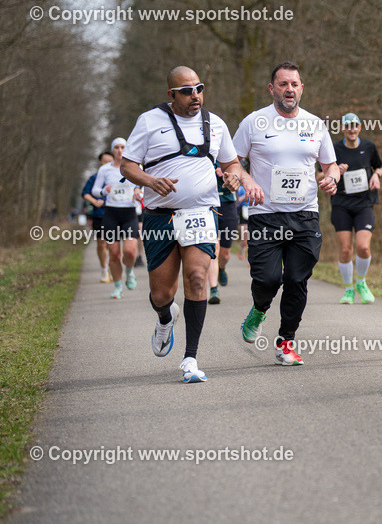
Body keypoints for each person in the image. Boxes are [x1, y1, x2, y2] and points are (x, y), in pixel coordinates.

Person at [120, 66, 260, 383]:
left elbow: (232, 162)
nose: (194, 95)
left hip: (200, 212)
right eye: (186, 90)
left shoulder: (216, 124)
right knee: (160, 293)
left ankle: (190, 359)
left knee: (197, 277)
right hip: (159, 216)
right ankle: (165, 316)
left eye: (199, 88)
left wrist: (234, 176)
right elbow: (128, 166)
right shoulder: (149, 122)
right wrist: (151, 181)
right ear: (172, 95)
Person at [234, 61, 342, 366]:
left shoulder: (315, 124)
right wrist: (247, 180)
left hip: (305, 214)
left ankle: (286, 341)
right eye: (283, 84)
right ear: (272, 89)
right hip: (265, 215)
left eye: (294, 84)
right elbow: (230, 161)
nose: (289, 89)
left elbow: (329, 165)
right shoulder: (254, 123)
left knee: (297, 279)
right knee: (268, 279)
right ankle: (259, 308)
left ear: (302, 88)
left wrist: (331, 178)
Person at [330, 113, 382, 305]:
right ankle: (348, 289)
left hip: (364, 204)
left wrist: (376, 176)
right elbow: (321, 174)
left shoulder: (368, 147)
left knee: (363, 246)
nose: (351, 129)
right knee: (345, 249)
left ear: (360, 127)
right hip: (341, 204)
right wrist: (336, 171)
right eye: (347, 126)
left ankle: (361, 282)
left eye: (354, 125)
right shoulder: (334, 149)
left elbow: (379, 167)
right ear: (342, 128)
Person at [92, 137, 142, 298]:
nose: (120, 150)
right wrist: (103, 191)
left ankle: (129, 271)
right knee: (113, 253)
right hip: (111, 214)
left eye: (122, 147)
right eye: (116, 148)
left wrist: (137, 191)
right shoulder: (105, 169)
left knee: (129, 250)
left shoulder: (136, 166)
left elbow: (145, 185)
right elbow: (95, 190)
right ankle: (118, 287)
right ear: (112, 150)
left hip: (129, 213)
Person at [207, 167, 239, 304]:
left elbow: (239, 174)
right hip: (208, 203)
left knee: (225, 253)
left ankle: (222, 268)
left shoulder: (228, 155)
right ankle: (213, 289)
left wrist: (228, 173)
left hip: (227, 202)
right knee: (214, 247)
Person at [82, 151, 114, 282]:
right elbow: (85, 193)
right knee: (101, 243)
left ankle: (113, 268)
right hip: (99, 214)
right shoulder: (94, 178)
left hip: (114, 213)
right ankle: (104, 269)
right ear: (100, 163)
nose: (106, 164)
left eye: (109, 161)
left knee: (112, 244)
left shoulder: (119, 176)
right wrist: (95, 201)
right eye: (104, 161)